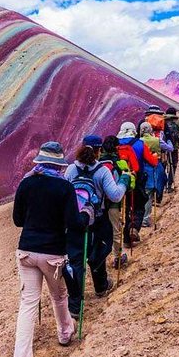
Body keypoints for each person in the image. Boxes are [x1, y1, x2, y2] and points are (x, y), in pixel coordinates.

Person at [12, 141, 90, 357]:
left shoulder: (26, 183)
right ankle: (65, 333)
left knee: (27, 303)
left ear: (40, 161)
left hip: (25, 251)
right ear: (58, 164)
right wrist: (86, 214)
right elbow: (74, 224)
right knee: (59, 296)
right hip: (53, 253)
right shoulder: (64, 187)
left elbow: (17, 220)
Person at [64, 135, 130, 317]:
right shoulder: (102, 171)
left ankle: (75, 305)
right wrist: (124, 182)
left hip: (75, 221)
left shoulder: (71, 169)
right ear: (98, 150)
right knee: (98, 252)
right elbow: (115, 195)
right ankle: (101, 285)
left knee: (76, 261)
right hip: (97, 219)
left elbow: (65, 192)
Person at [116, 122, 158, 244]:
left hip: (118, 181)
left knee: (124, 208)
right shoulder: (139, 143)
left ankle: (125, 237)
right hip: (137, 180)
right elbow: (152, 161)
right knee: (138, 206)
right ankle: (133, 228)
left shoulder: (115, 144)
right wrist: (156, 156)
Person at [98, 136, 134, 269]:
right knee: (116, 230)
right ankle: (117, 257)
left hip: (98, 204)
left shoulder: (96, 163)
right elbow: (129, 184)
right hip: (114, 203)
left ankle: (98, 258)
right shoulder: (120, 163)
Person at [138, 122, 167, 227]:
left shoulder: (139, 142)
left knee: (143, 194)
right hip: (154, 168)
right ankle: (145, 219)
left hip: (142, 169)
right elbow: (169, 148)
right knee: (149, 195)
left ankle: (140, 219)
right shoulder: (157, 140)